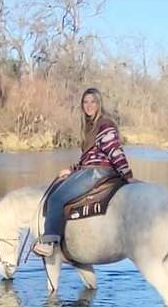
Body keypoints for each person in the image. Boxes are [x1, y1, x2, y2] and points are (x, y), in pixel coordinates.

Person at [34, 87, 135, 257]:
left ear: (99, 104)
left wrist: (127, 176)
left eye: (93, 102)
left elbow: (114, 151)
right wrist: (72, 170)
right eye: (85, 102)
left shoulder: (105, 125)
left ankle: (50, 242)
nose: (89, 106)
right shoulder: (90, 127)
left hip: (99, 172)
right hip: (91, 169)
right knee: (60, 188)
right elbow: (88, 158)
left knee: (56, 198)